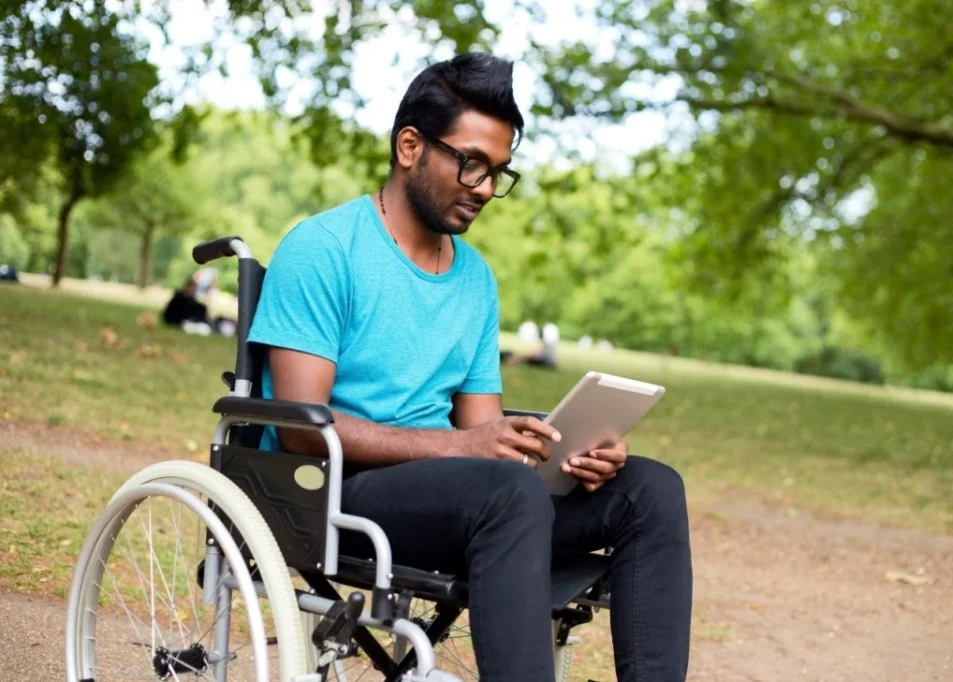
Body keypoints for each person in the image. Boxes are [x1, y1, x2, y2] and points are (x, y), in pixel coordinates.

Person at [248, 52, 692, 682]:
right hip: (337, 493)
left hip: (463, 499)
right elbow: (302, 428)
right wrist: (467, 447)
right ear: (410, 147)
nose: (485, 187)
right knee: (506, 494)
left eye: (499, 172)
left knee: (648, 489)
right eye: (472, 163)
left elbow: (486, 435)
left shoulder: (474, 277)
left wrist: (570, 453)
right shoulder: (323, 249)